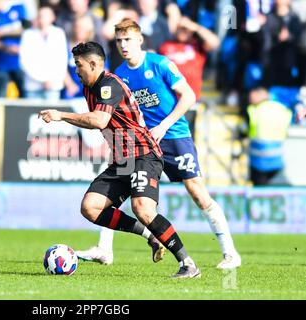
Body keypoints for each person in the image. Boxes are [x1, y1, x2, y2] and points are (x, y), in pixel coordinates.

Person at [77, 19, 241, 269]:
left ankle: (230, 252)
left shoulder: (160, 63)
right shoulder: (118, 75)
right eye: (119, 41)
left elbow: (189, 96)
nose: (123, 45)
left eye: (128, 39)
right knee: (114, 195)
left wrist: (164, 126)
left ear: (140, 39)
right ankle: (104, 249)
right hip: (139, 143)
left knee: (197, 191)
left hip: (173, 134)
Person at [39, 41, 200, 278]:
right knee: (91, 208)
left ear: (93, 64)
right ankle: (151, 236)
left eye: (78, 64)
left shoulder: (109, 85)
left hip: (144, 153)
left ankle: (188, 264)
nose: (76, 70)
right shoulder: (89, 89)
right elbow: (107, 124)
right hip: (123, 160)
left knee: (143, 208)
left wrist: (60, 115)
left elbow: (99, 121)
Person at [19, 5, 67, 101]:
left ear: (53, 18)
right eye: (40, 16)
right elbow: (24, 61)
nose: (42, 19)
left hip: (53, 85)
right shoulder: (28, 34)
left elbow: (61, 60)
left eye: (45, 16)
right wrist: (42, 80)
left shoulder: (59, 33)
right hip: (32, 86)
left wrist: (50, 80)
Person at [246, 87, 293, 185]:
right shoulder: (281, 108)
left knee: (260, 194)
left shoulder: (253, 110)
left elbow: (246, 129)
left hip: (258, 163)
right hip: (277, 160)